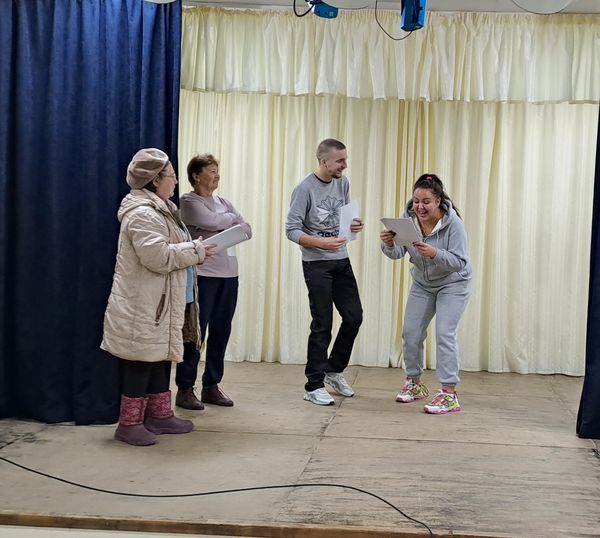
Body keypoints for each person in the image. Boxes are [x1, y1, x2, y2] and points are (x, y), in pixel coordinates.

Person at [101, 148, 214, 446]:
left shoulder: (164, 209)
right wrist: (196, 250)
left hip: (162, 300)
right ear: (154, 180)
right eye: (171, 176)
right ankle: (129, 424)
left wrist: (194, 250)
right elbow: (157, 257)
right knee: (142, 359)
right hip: (145, 302)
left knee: (160, 356)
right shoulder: (142, 213)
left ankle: (159, 415)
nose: (175, 181)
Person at [380, 173, 472, 414]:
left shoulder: (454, 225)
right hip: (423, 284)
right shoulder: (408, 220)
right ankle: (414, 384)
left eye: (426, 202)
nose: (419, 206)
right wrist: (389, 244)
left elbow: (460, 262)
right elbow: (397, 254)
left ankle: (449, 394)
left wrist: (435, 253)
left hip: (453, 284)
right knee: (411, 332)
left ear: (438, 201)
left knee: (444, 334)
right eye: (416, 200)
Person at [285, 138, 364, 406]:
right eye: (340, 160)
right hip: (316, 264)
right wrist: (320, 243)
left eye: (345, 159)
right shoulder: (304, 189)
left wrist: (352, 225)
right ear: (323, 161)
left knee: (354, 317)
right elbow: (291, 230)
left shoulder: (343, 183)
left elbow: (342, 219)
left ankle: (333, 369)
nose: (345, 165)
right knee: (323, 324)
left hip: (341, 260)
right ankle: (313, 385)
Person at [175, 154, 252, 409]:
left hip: (229, 275)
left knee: (221, 331)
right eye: (211, 170)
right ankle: (185, 389)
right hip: (203, 275)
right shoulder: (188, 201)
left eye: (217, 170)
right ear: (196, 176)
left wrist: (223, 224)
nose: (217, 175)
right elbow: (211, 221)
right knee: (196, 333)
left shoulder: (223, 202)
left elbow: (247, 229)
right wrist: (229, 221)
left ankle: (211, 385)